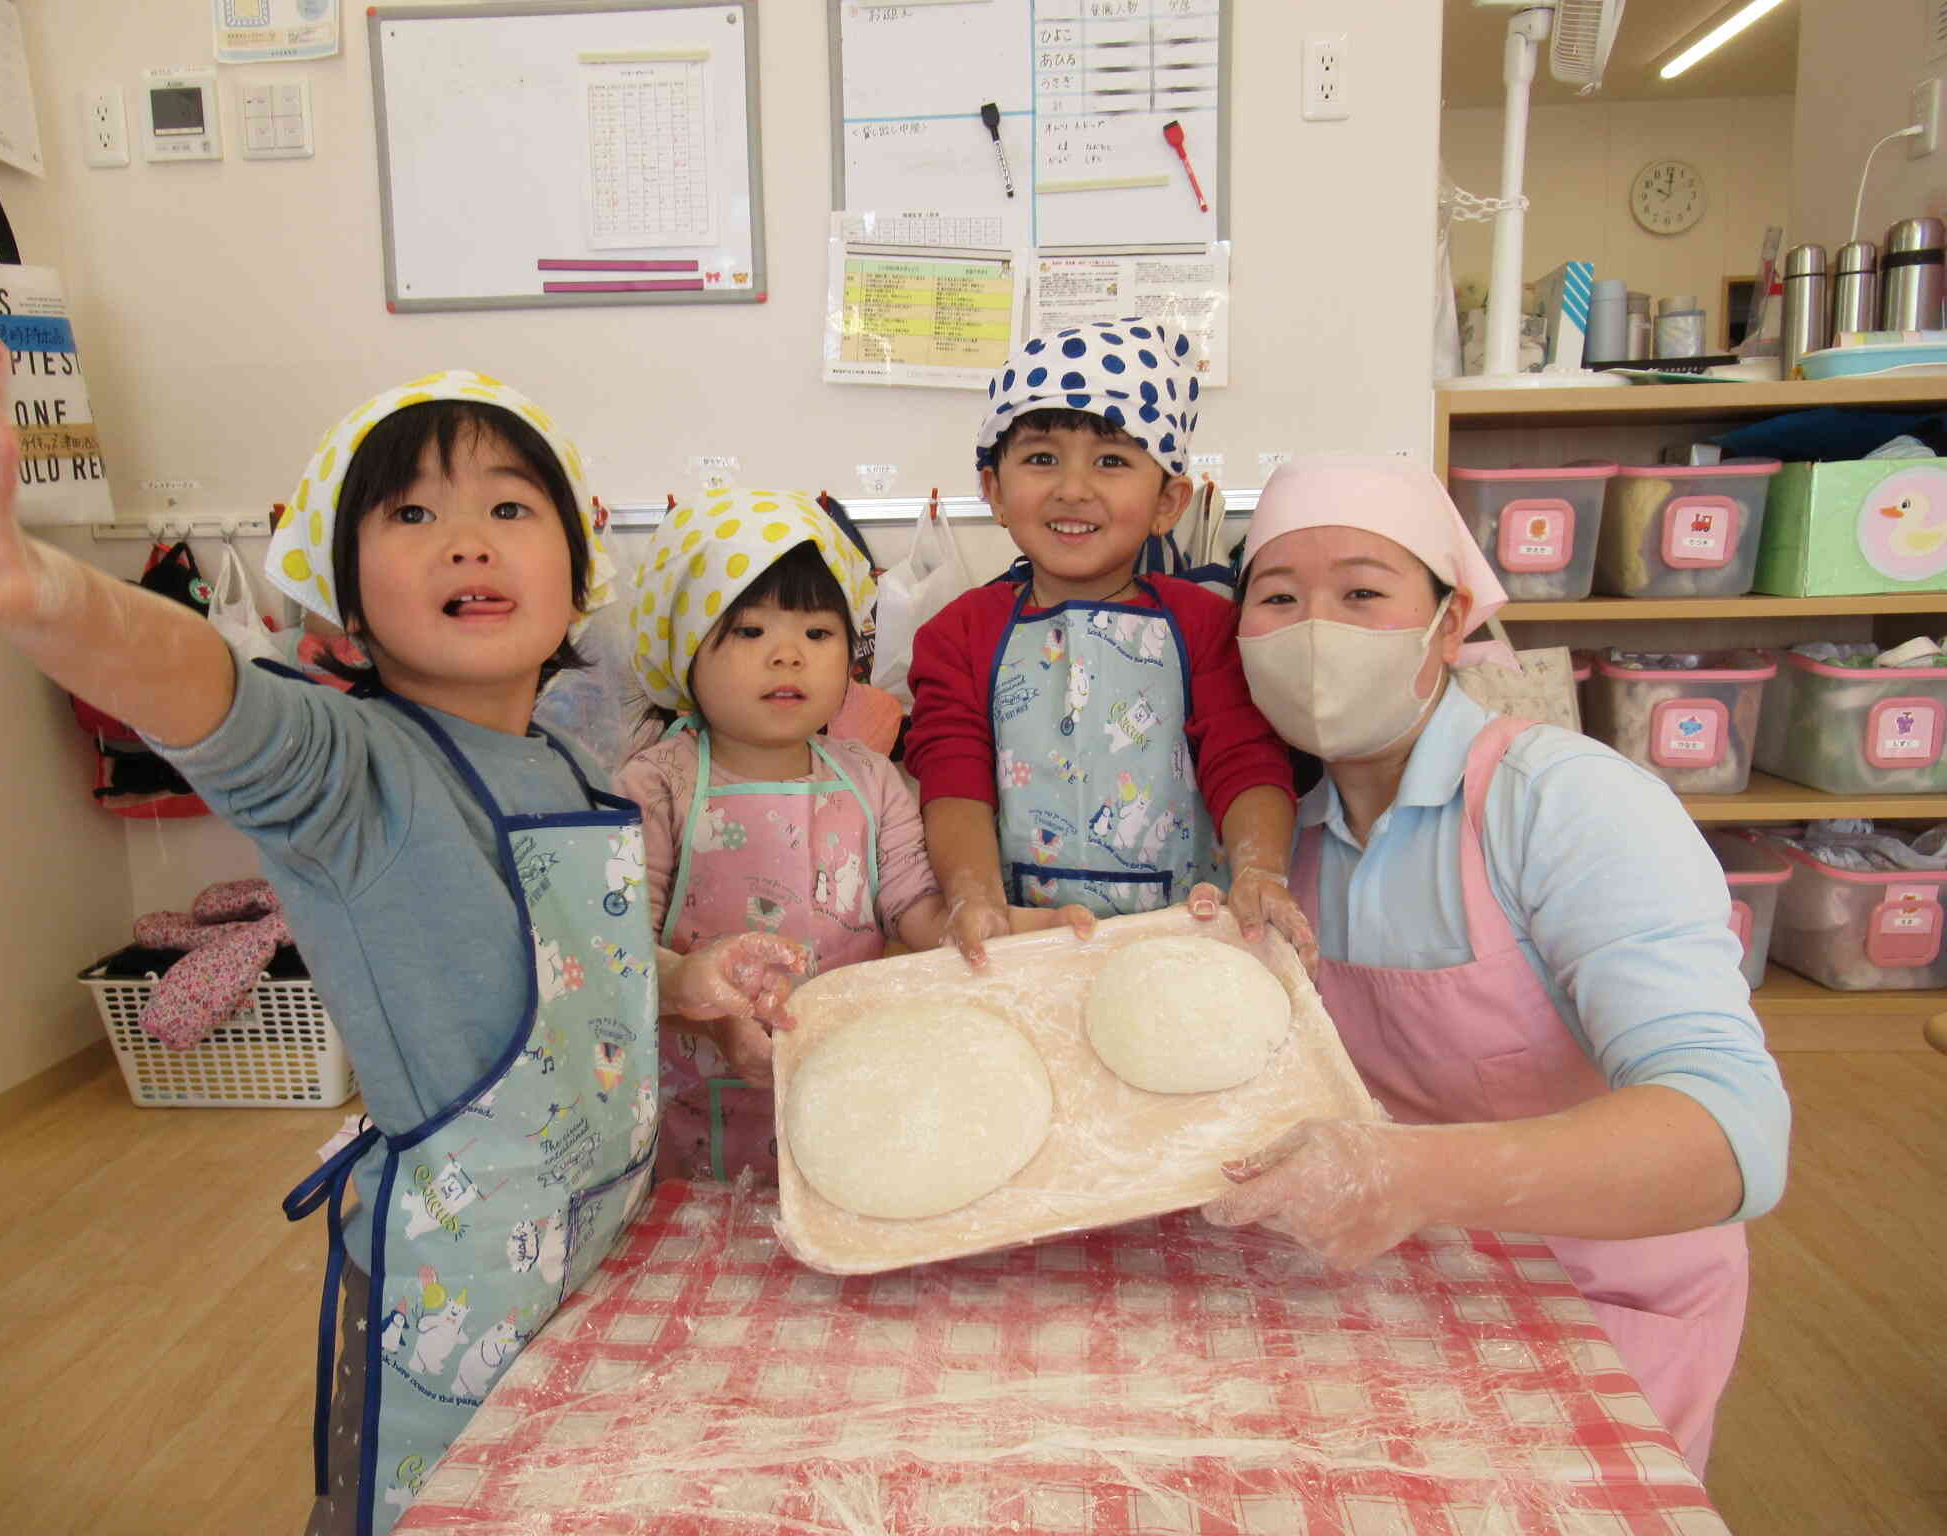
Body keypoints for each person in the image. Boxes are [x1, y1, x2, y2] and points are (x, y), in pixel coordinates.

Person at [0, 335, 804, 1536]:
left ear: (578, 570)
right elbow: (198, 683)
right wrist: (40, 584)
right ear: (345, 590)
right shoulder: (342, 768)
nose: (467, 538)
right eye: (414, 511)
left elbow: (583, 964)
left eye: (508, 506)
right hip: (455, 1283)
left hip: (599, 1239)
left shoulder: (573, 764)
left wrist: (690, 978)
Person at [1196, 454, 1790, 1474]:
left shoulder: (1562, 803)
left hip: (1597, 1303)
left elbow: (1732, 1136)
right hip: (1388, 1286)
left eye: (1361, 594)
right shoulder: (1281, 845)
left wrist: (1406, 1176)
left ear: (1450, 617)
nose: (1313, 631)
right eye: (1278, 599)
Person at [615, 490, 1090, 1182]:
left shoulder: (872, 780)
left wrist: (1010, 926)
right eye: (749, 633)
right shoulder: (655, 786)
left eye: (816, 634)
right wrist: (712, 1016)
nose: (788, 657)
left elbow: (918, 913)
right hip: (695, 1107)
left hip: (846, 1087)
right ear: (686, 649)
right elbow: (625, 960)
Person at [905, 320, 1313, 968]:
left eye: (1112, 461)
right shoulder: (957, 633)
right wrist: (972, 895)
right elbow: (952, 773)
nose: (1073, 488)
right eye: (1042, 459)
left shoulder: (1206, 627)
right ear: (994, 492)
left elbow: (1246, 759)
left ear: (1168, 502)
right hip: (1019, 944)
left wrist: (1262, 872)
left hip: (1187, 938)